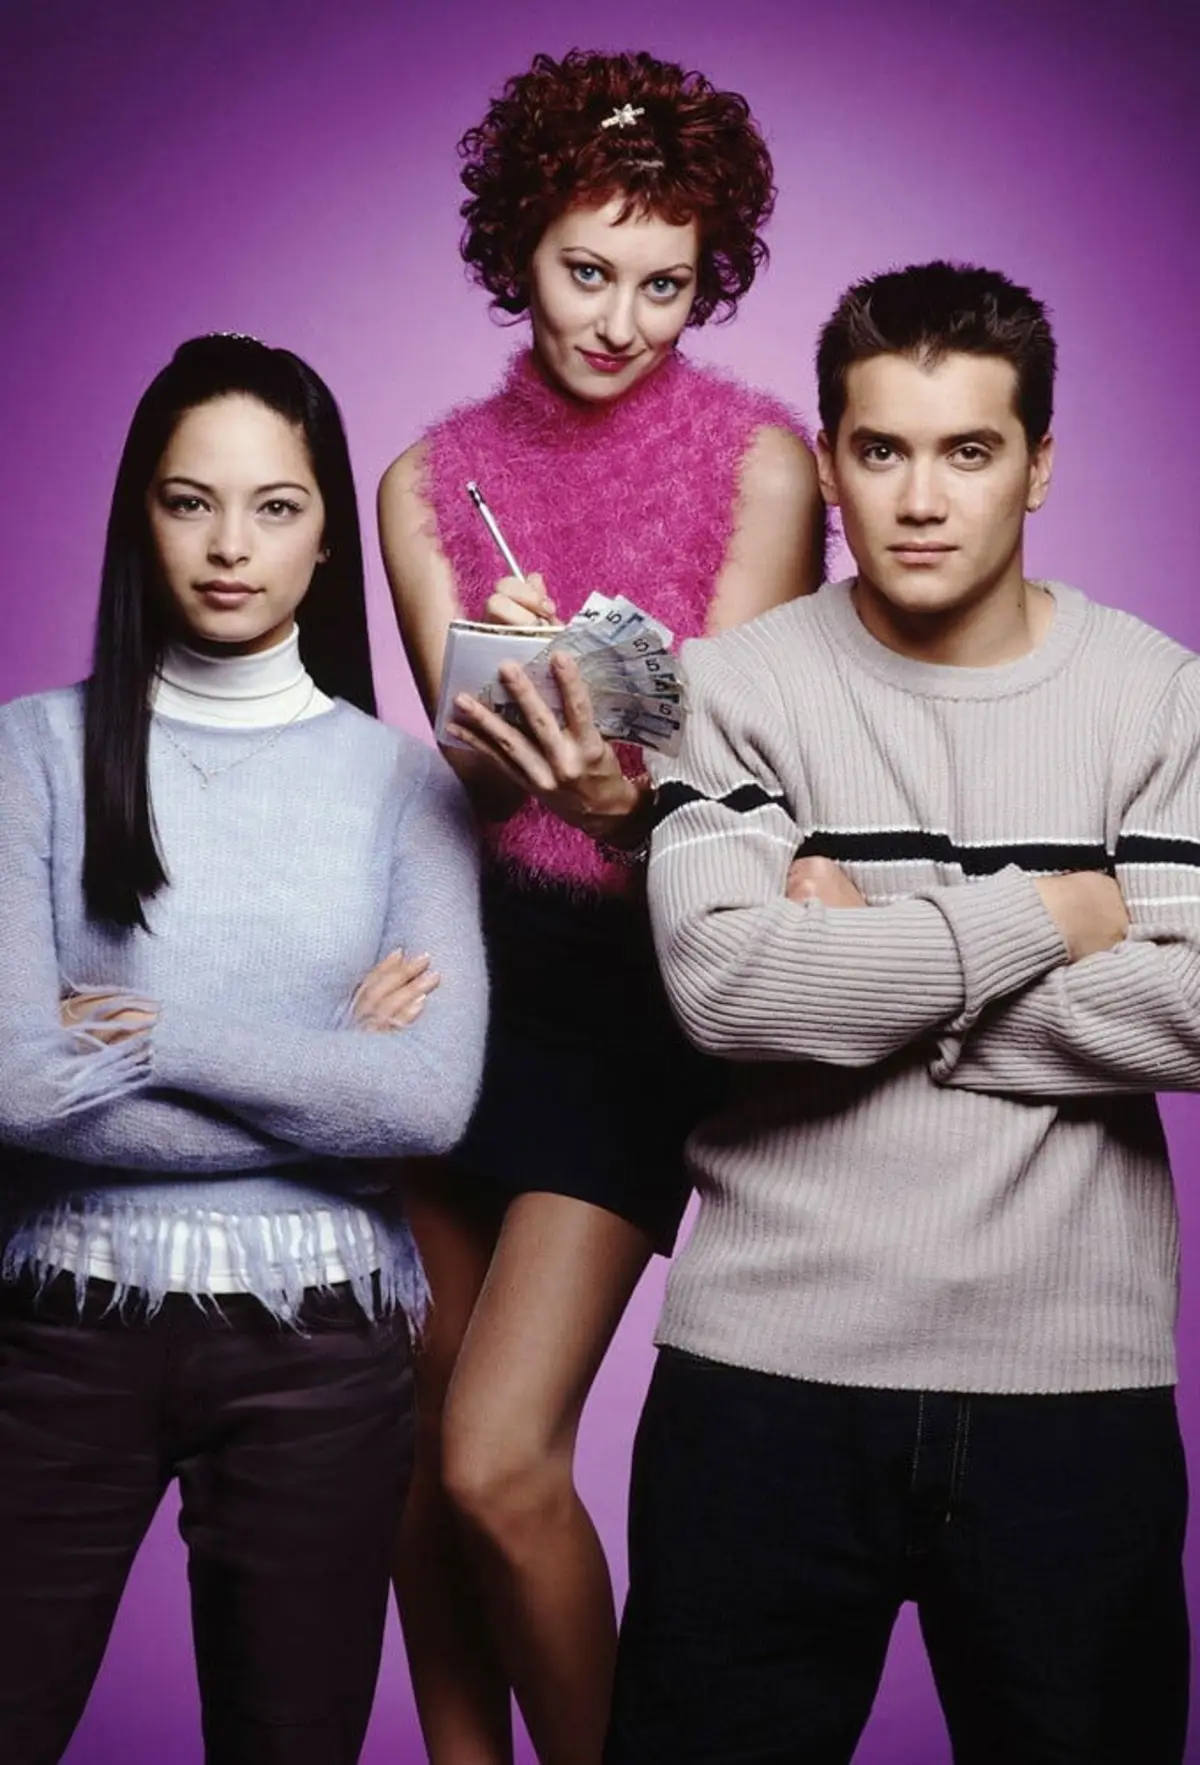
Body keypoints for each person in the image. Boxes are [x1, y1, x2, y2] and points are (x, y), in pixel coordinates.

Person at [608, 260, 1194, 1764]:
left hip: (1073, 1389)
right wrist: (1044, 914)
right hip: (765, 1381)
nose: (920, 500)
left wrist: (874, 967)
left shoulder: (1159, 698)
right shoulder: (721, 691)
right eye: (881, 451)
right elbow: (728, 987)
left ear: (1040, 466)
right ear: (829, 464)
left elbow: (1197, 1006)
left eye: (969, 451)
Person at [378, 47, 824, 1765]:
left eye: (666, 284)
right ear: (520, 247)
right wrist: (506, 695)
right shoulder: (428, 481)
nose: (622, 319)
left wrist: (609, 736)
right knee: (419, 1459)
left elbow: (733, 779)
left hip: (635, 978)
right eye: (588, 270)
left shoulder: (765, 466)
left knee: (500, 1456)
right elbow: (472, 783)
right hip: (465, 965)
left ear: (708, 280)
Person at [0, 333, 487, 1765]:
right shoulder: (30, 753)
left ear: (328, 534)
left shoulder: (410, 787)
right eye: (188, 501)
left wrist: (156, 1033)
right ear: (139, 517)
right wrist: (326, 1066)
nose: (230, 546)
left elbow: (428, 1103)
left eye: (275, 506)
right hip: (60, 1333)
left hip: (322, 1352)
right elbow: (14, 1087)